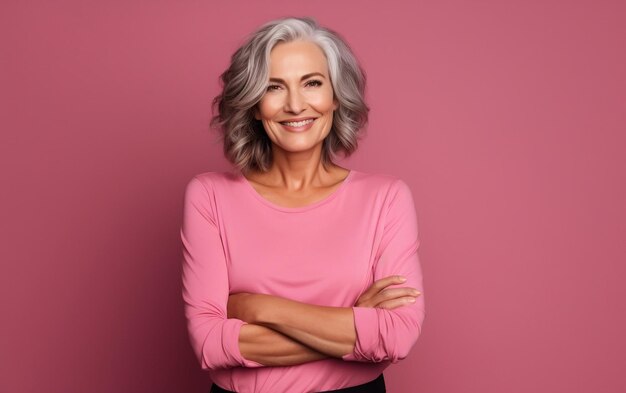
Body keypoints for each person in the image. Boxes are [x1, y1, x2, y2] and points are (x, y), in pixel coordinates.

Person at [180, 16, 425, 393]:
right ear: (254, 103)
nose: (296, 105)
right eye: (274, 87)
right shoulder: (209, 196)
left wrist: (258, 308)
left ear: (335, 95)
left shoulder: (386, 198)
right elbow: (209, 344)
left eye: (312, 83)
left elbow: (396, 337)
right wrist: (355, 324)